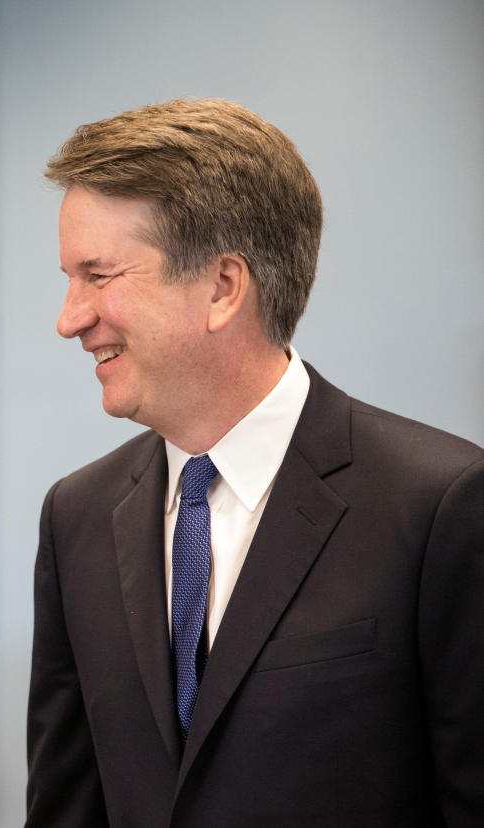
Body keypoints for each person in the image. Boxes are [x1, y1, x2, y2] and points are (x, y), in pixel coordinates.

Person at [26, 99, 484, 827]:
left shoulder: (442, 506)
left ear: (223, 287)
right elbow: (67, 806)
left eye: (98, 275)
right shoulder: (74, 517)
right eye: (69, 278)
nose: (69, 317)